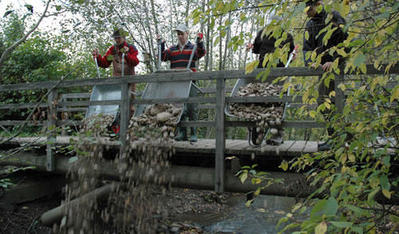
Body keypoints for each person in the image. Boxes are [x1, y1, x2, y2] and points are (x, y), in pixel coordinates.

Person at [303, 0, 348, 150]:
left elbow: (345, 41)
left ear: (318, 4)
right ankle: (335, 138)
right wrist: (311, 62)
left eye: (309, 7)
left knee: (337, 100)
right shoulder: (310, 25)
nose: (307, 11)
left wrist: (335, 61)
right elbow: (306, 48)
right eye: (306, 7)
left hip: (336, 67)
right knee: (323, 101)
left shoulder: (333, 16)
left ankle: (340, 140)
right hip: (322, 69)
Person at [246, 17, 295, 145]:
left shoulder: (287, 36)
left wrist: (293, 57)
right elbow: (256, 50)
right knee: (260, 101)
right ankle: (258, 132)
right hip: (262, 73)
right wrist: (250, 46)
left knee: (278, 104)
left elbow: (291, 53)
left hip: (279, 74)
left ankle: (277, 135)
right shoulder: (262, 33)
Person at [158, 24, 206, 142]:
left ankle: (193, 133)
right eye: (178, 34)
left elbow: (201, 53)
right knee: (179, 109)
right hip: (177, 83)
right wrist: (161, 44)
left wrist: (200, 42)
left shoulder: (192, 47)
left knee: (192, 108)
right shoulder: (172, 49)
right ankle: (182, 133)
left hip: (190, 82)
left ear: (187, 34)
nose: (180, 36)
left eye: (182, 34)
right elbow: (162, 57)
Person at [92, 29, 139, 115]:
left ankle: (130, 124)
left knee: (131, 106)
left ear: (124, 37)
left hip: (130, 81)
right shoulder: (113, 50)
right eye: (115, 38)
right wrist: (98, 57)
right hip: (116, 81)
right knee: (116, 104)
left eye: (118, 38)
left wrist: (127, 54)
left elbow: (135, 62)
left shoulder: (131, 48)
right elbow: (105, 63)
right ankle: (115, 124)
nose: (117, 40)